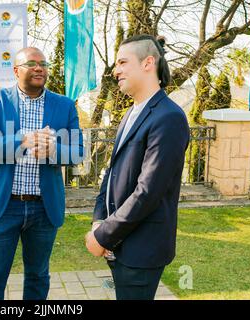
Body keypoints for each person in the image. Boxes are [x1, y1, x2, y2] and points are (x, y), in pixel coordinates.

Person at [0, 47, 84, 300]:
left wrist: (54, 148)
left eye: (43, 63)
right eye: (31, 63)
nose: (39, 68)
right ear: (16, 70)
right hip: (4, 206)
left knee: (37, 276)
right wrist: (23, 140)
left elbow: (77, 152)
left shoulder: (64, 106)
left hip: (43, 209)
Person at [85, 34, 190, 300]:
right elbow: (111, 174)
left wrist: (103, 236)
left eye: (122, 62)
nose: (115, 70)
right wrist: (99, 220)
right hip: (119, 244)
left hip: (142, 249)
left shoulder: (169, 118)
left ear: (148, 63)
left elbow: (148, 192)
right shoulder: (130, 114)